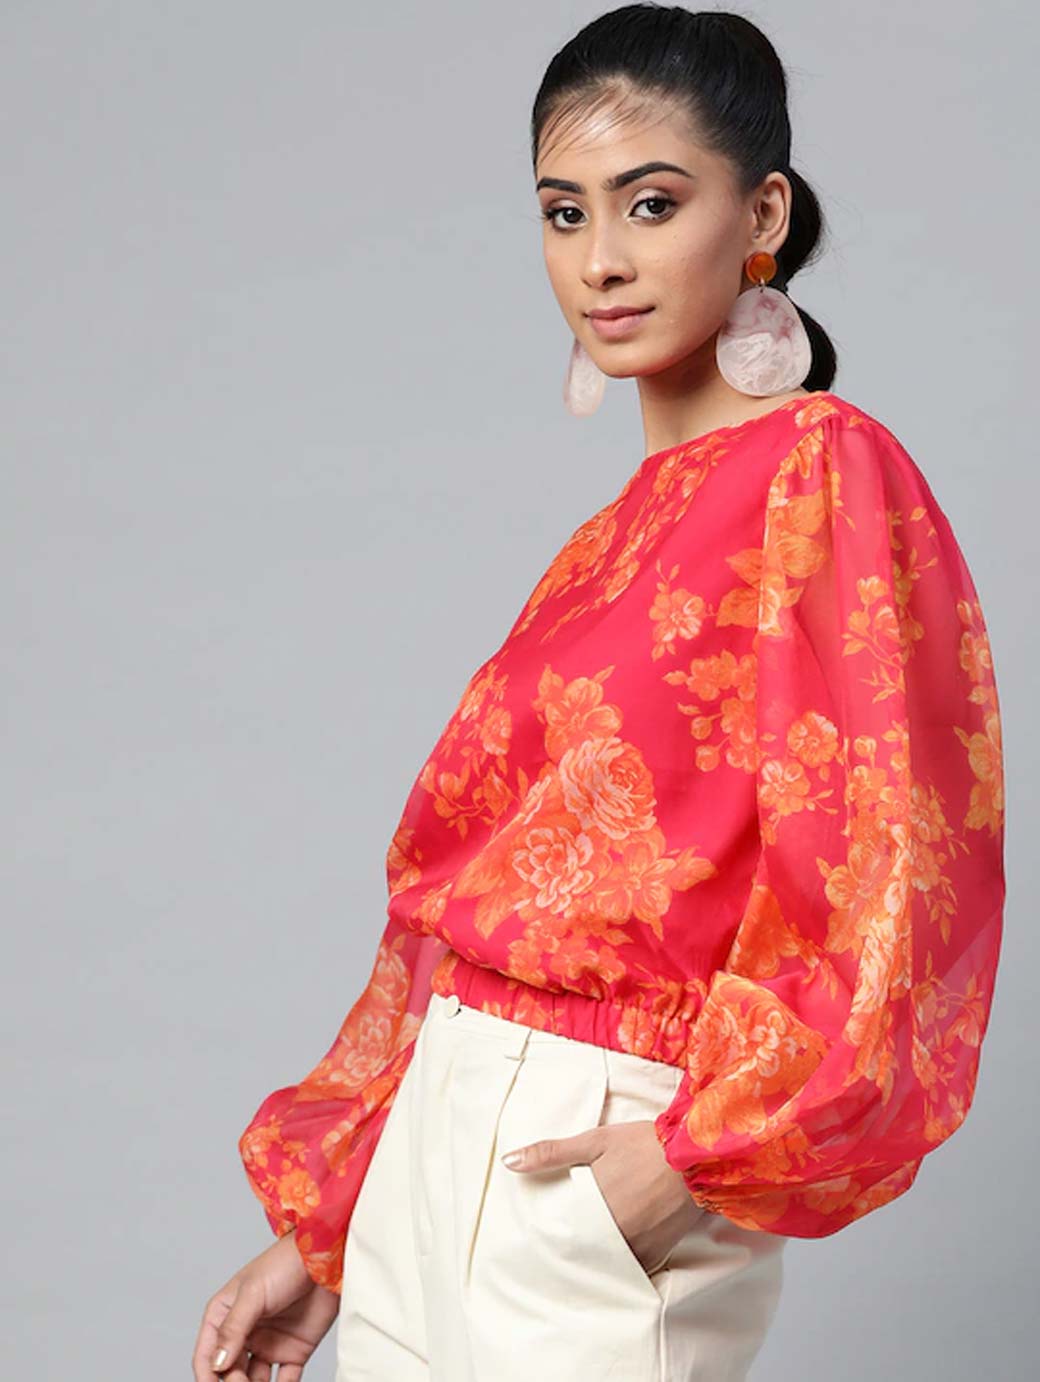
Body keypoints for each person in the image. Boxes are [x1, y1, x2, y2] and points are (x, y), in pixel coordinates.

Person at [192, 7, 1007, 1380]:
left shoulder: (821, 471)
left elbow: (892, 874)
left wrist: (686, 1165)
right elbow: (466, 912)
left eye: (652, 204)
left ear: (763, 214)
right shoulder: (610, 539)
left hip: (592, 1164)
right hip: (428, 1148)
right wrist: (333, 1225)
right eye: (564, 213)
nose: (601, 259)